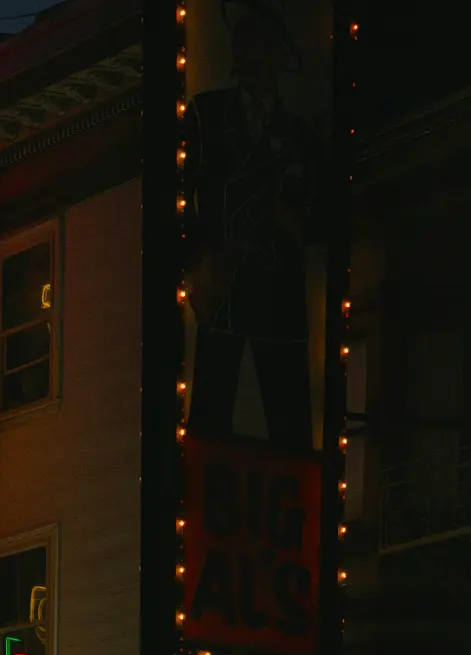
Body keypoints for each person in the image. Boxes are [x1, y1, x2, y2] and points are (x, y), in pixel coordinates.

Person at [183, 0, 325, 449]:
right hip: (223, 289)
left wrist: (288, 218)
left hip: (276, 295)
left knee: (288, 421)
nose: (252, 56)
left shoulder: (299, 136)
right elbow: (190, 199)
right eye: (246, 46)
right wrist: (200, 264)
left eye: (264, 47)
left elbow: (316, 221)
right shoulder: (206, 117)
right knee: (211, 411)